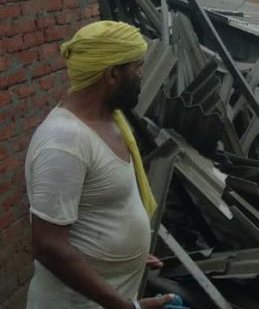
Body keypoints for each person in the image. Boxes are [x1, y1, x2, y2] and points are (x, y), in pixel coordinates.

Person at [24, 21, 174, 309]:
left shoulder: (111, 121)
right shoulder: (65, 141)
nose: (143, 75)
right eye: (138, 67)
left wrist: (125, 256)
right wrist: (128, 307)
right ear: (113, 74)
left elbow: (101, 205)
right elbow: (47, 246)